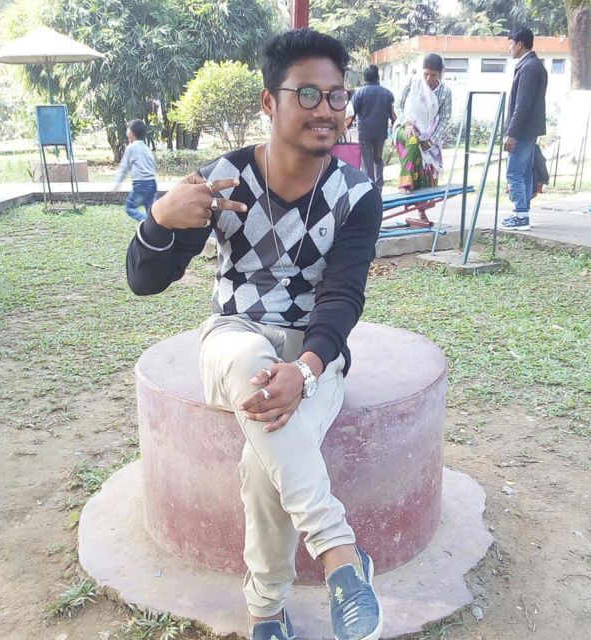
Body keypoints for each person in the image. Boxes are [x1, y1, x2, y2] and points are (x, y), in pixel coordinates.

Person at [126, 28, 384, 640]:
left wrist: (309, 369)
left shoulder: (356, 195)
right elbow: (144, 281)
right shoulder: (224, 180)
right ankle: (341, 553)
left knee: (264, 457)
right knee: (249, 359)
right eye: (308, 94)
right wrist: (160, 219)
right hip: (233, 336)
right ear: (270, 102)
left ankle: (265, 610)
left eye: (337, 96)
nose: (326, 109)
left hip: (315, 352)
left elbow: (343, 296)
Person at [500, 27, 547, 231]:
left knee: (514, 173)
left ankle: (520, 216)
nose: (509, 48)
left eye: (511, 44)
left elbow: (522, 105)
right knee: (525, 172)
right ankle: (522, 213)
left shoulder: (528, 67)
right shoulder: (534, 65)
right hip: (529, 129)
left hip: (523, 130)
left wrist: (511, 134)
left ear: (519, 44)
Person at [394, 54, 452, 194]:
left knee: (427, 174)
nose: (428, 79)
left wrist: (431, 141)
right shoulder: (413, 82)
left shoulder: (445, 92)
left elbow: (445, 119)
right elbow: (398, 105)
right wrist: (407, 123)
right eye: (426, 74)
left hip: (429, 135)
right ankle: (404, 183)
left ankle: (423, 205)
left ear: (441, 74)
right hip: (405, 128)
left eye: (433, 75)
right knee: (412, 140)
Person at [351, 64, 396, 189]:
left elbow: (352, 113)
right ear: (378, 77)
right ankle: (379, 186)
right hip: (380, 132)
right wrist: (395, 128)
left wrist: (345, 127)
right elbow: (393, 115)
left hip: (365, 132)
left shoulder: (359, 93)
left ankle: (369, 187)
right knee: (378, 158)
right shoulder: (387, 94)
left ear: (365, 77)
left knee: (367, 162)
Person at [113, 119, 157, 223]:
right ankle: (153, 225)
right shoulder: (146, 148)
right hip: (152, 183)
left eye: (127, 129)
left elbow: (124, 168)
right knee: (151, 212)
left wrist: (117, 184)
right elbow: (153, 165)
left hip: (140, 184)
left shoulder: (131, 148)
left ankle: (147, 223)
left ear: (131, 133)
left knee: (130, 208)